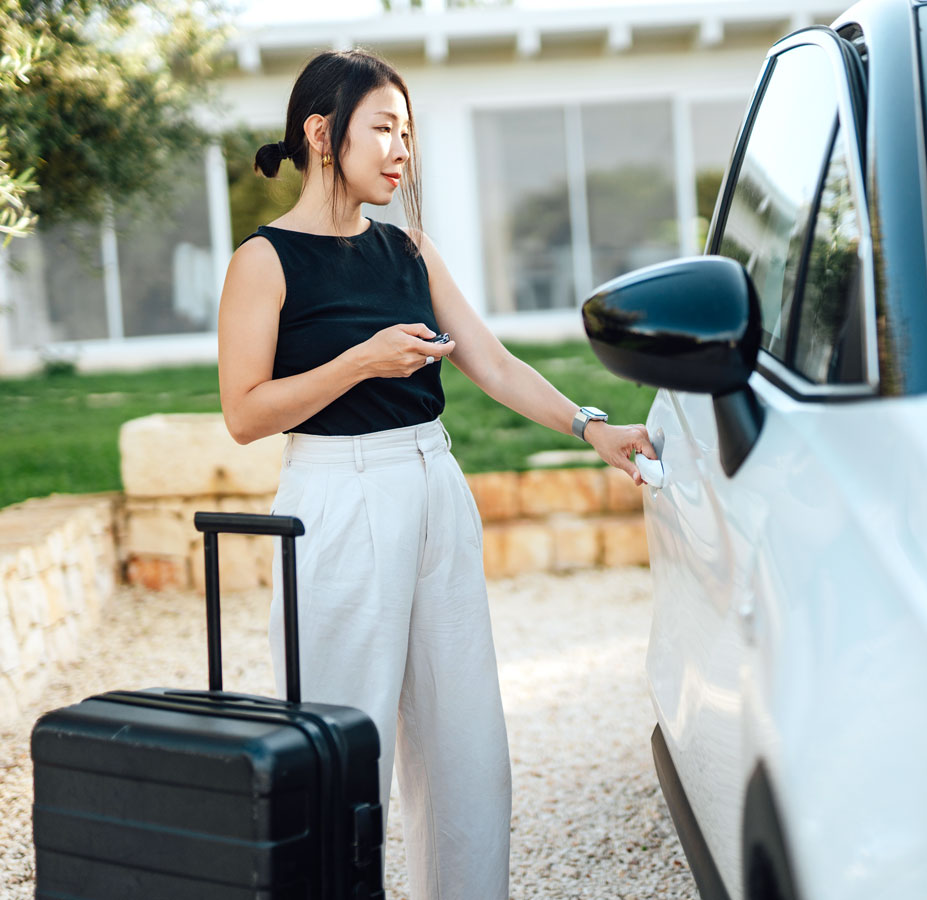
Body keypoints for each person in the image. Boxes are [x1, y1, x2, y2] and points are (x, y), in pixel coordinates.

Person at [216, 48, 657, 900]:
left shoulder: (409, 250)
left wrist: (589, 426)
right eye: (383, 128)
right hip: (337, 498)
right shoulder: (264, 261)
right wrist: (361, 362)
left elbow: (490, 362)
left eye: (407, 133)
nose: (400, 150)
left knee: (465, 745)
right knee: (343, 743)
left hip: (433, 483)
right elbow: (245, 413)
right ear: (321, 134)